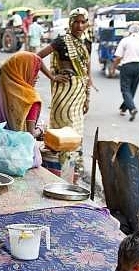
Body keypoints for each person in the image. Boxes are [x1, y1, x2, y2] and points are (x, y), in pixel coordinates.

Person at [37, 7, 92, 174]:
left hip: (79, 92)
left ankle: (70, 171)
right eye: (76, 21)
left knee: (76, 132)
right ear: (71, 22)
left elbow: (88, 71)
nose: (79, 25)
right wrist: (53, 77)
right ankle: (60, 172)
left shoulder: (86, 43)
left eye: (83, 22)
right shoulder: (62, 41)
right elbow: (37, 58)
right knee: (65, 131)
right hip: (65, 93)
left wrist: (87, 98)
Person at [0, 51, 58, 166]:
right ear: (22, 72)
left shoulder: (0, 91)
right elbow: (30, 133)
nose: (37, 76)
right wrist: (41, 130)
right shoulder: (30, 98)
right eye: (33, 71)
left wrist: (52, 77)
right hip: (20, 158)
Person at [110, 23, 139, 121]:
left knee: (125, 89)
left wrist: (113, 67)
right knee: (132, 89)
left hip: (127, 66)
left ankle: (132, 108)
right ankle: (124, 108)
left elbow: (118, 57)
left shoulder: (125, 41)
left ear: (130, 31)